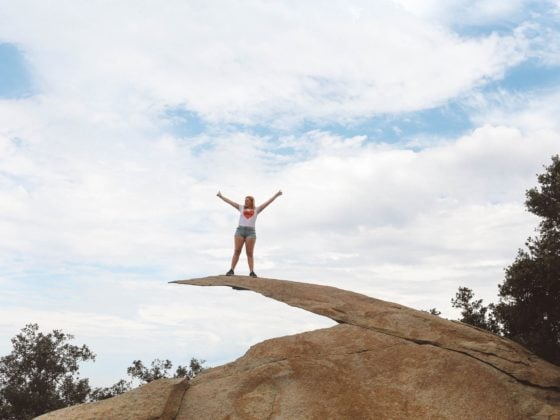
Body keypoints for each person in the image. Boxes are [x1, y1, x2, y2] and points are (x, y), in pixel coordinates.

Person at [217, 190, 283, 277]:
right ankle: (231, 270)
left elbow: (268, 202)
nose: (245, 201)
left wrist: (276, 195)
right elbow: (230, 202)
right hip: (240, 231)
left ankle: (252, 272)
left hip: (251, 232)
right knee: (237, 251)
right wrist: (221, 197)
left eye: (247, 200)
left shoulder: (257, 209)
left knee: (249, 253)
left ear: (251, 201)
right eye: (245, 200)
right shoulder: (241, 208)